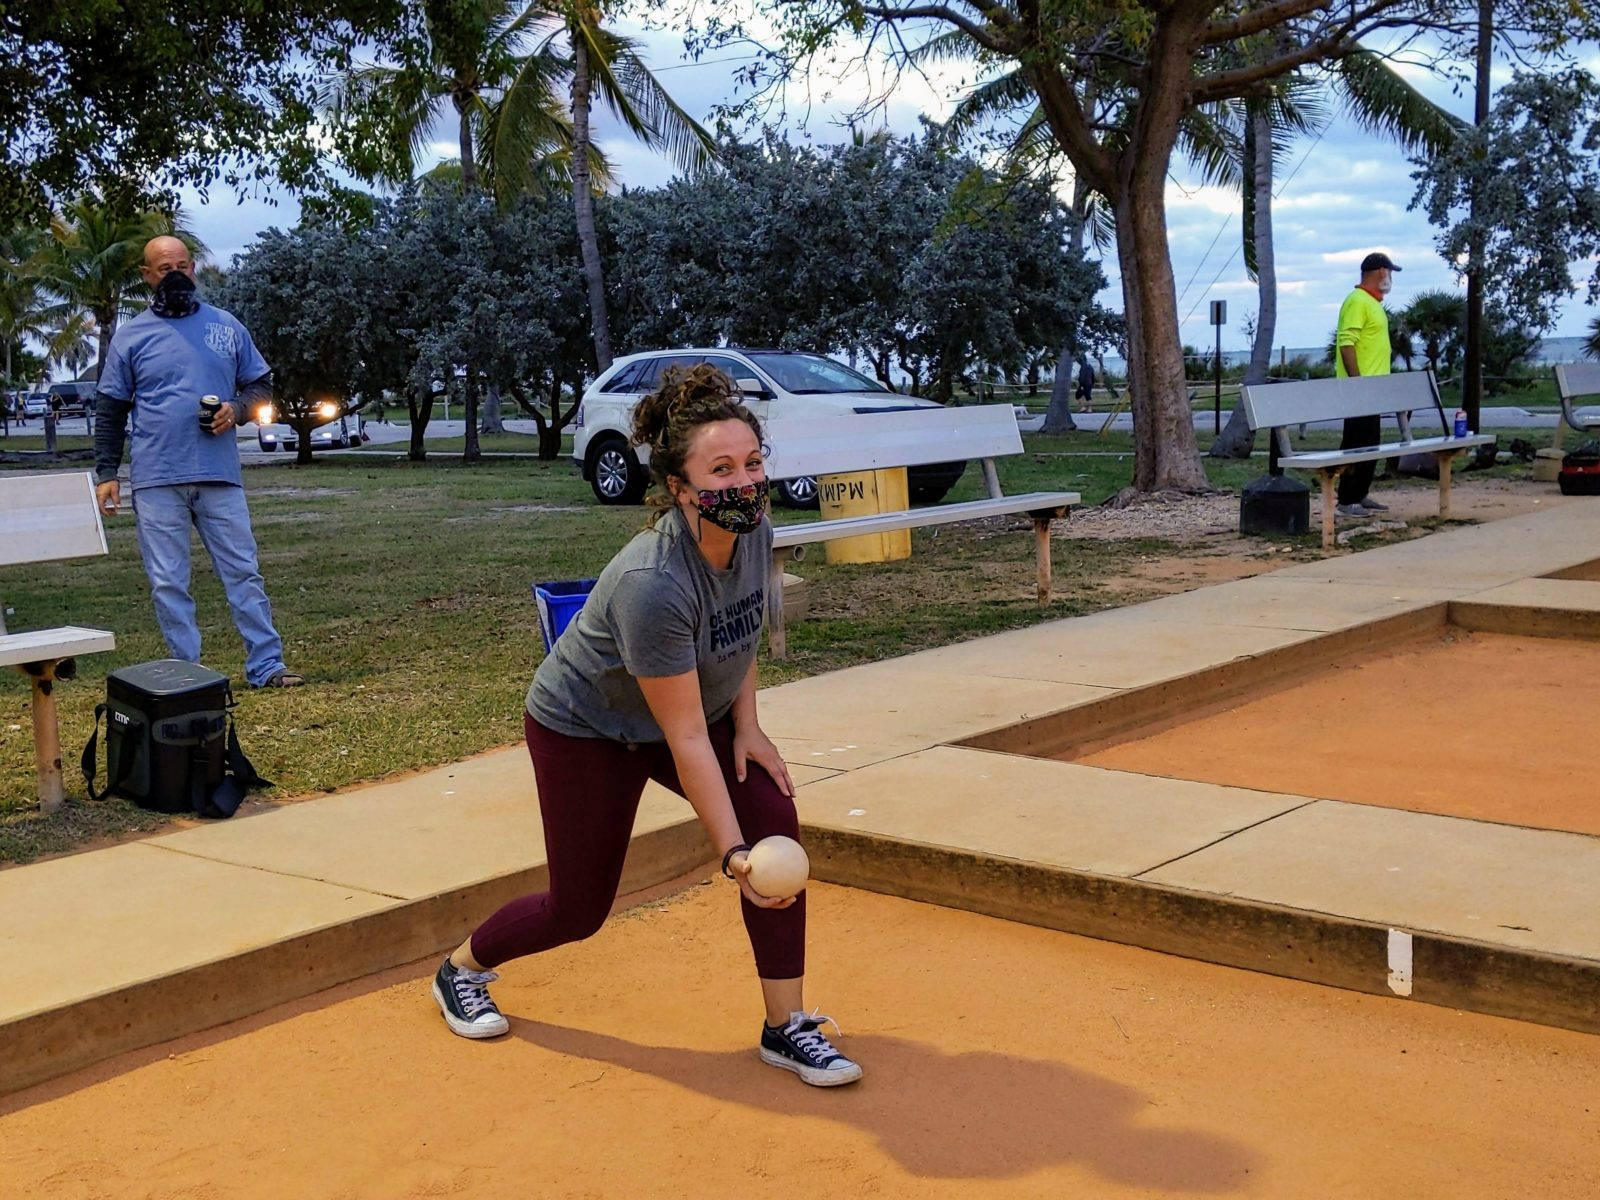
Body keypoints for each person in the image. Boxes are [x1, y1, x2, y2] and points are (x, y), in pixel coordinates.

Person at [432, 364, 862, 1088]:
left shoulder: (755, 532)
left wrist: (750, 725)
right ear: (680, 489)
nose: (744, 483)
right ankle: (461, 970)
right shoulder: (652, 583)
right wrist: (731, 856)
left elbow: (740, 630)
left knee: (774, 822)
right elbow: (686, 737)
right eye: (720, 469)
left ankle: (785, 1027)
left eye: (753, 463)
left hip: (691, 713)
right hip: (587, 729)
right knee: (579, 908)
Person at [93, 236, 303, 689]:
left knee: (243, 571)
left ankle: (267, 666)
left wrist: (237, 410)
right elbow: (110, 408)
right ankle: (188, 675)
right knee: (168, 582)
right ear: (147, 277)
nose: (175, 274)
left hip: (219, 476)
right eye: (163, 267)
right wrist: (106, 473)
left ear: (194, 269)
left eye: (182, 266)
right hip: (156, 478)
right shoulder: (131, 337)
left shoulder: (226, 326)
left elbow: (260, 385)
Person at [1333, 251, 1399, 517]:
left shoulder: (1374, 304)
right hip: (1359, 390)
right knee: (1356, 443)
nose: (1391, 278)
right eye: (1390, 272)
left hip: (1375, 391)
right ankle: (1346, 500)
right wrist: (1356, 381)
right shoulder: (1357, 301)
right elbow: (1346, 342)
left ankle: (1360, 494)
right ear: (1381, 272)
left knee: (1371, 443)